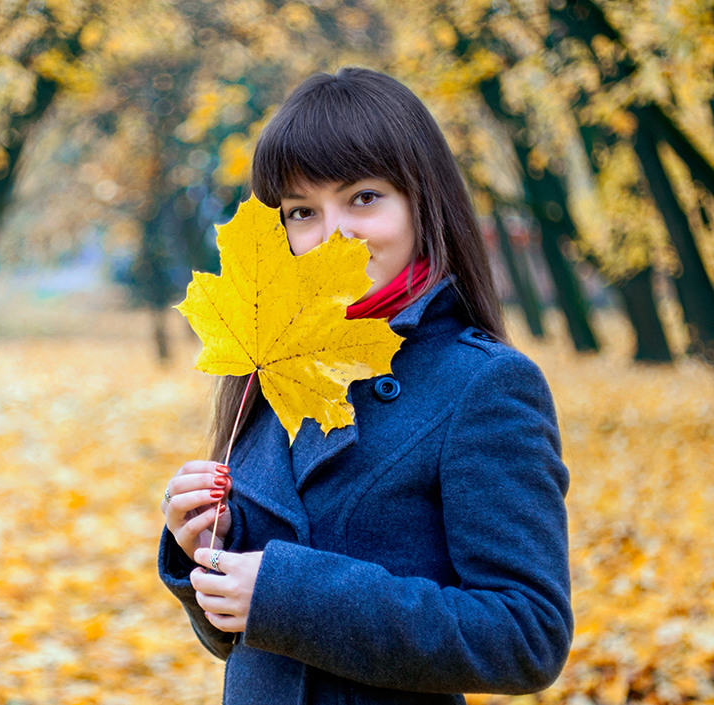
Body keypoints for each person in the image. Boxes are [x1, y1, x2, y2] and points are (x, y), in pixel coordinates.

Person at [158, 67, 572, 705]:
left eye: (363, 198)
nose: (332, 235)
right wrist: (203, 553)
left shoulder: (485, 385)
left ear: (421, 201)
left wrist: (285, 596)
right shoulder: (273, 371)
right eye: (302, 211)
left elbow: (526, 636)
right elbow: (244, 641)